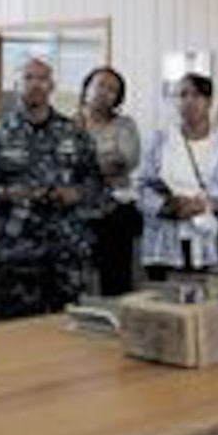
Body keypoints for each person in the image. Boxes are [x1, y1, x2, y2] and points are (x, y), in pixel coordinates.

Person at [0, 57, 103, 318]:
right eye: (28, 78)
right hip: (17, 254)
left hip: (67, 252)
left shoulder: (74, 133)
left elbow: (97, 184)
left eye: (42, 79)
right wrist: (7, 194)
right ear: (16, 84)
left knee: (69, 335)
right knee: (17, 338)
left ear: (52, 85)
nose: (35, 85)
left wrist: (77, 194)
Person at [138, 74, 218, 276]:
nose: (189, 101)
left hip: (212, 241)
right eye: (183, 95)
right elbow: (141, 187)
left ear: (209, 101)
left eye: (197, 95)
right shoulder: (159, 140)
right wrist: (169, 206)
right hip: (165, 241)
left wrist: (208, 205)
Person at [77, 66, 142, 295]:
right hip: (77, 211)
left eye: (112, 89)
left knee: (116, 282)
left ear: (118, 98)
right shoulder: (67, 124)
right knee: (77, 279)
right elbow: (61, 168)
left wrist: (84, 166)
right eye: (100, 85)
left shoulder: (125, 125)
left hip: (115, 212)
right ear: (87, 88)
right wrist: (100, 163)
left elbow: (124, 161)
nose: (104, 92)